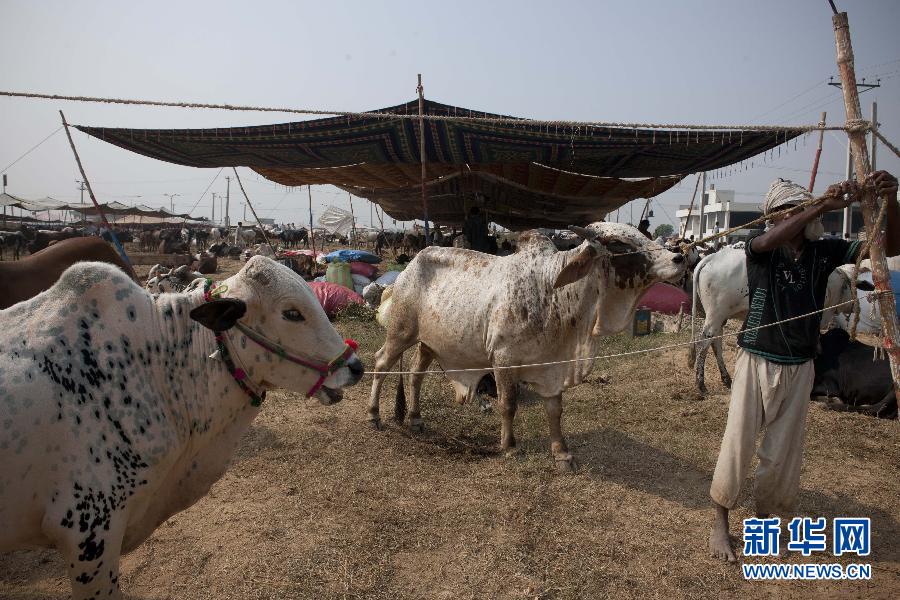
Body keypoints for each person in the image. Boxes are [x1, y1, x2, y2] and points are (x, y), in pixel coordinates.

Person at [708, 171, 899, 562]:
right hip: (757, 360)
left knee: (783, 452)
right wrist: (821, 204)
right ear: (780, 216)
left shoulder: (823, 251)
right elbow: (767, 240)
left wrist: (890, 201)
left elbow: (890, 247)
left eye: (812, 210)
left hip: (800, 366)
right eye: (800, 210)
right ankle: (720, 524)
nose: (815, 218)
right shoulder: (760, 246)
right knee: (738, 443)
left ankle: (765, 520)